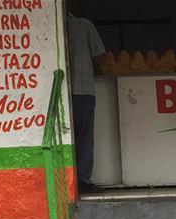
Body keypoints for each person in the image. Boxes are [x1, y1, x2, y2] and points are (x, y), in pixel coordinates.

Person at [66, 7, 107, 194]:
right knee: (84, 137)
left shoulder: (54, 26)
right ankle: (82, 181)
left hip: (61, 94)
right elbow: (99, 56)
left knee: (65, 139)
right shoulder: (84, 25)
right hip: (82, 90)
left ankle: (65, 184)